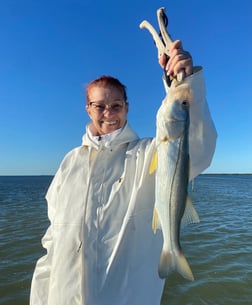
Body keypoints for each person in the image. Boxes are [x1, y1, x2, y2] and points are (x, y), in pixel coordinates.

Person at [30, 40, 217, 305]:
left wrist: (187, 85)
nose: (108, 113)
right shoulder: (69, 163)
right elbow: (51, 243)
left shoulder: (148, 153)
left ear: (127, 108)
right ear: (88, 109)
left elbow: (197, 149)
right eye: (99, 106)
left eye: (116, 105)